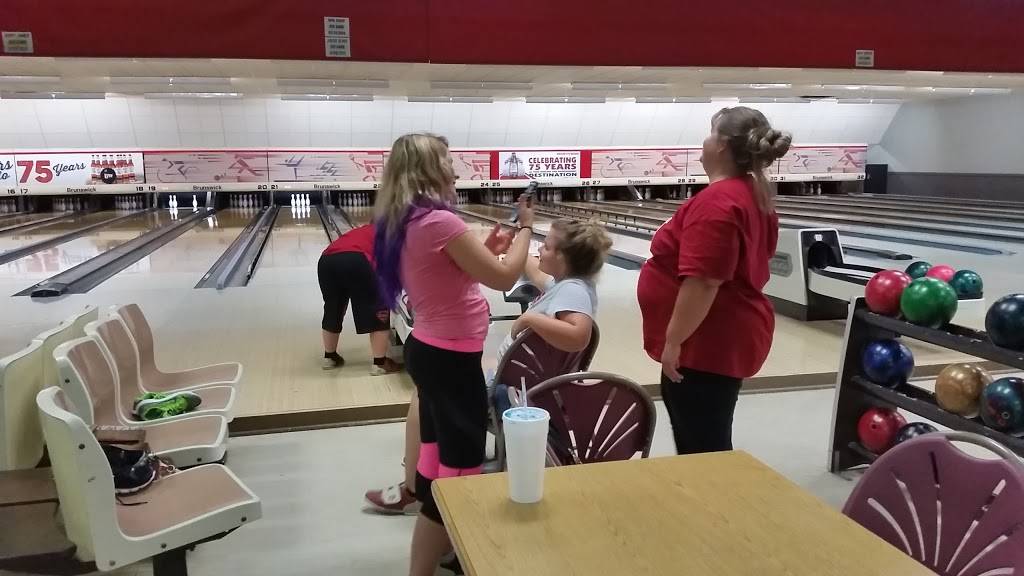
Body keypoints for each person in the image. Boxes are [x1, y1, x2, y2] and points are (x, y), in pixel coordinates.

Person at [364, 218, 612, 516]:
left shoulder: (573, 291)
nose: (539, 251)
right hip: (525, 384)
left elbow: (579, 334)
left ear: (563, 258)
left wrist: (529, 318)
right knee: (435, 384)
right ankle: (423, 478)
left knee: (426, 391)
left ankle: (415, 488)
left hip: (510, 394)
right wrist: (523, 230)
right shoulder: (565, 284)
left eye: (546, 247)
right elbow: (531, 268)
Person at [373, 133, 534, 576]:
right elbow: (504, 278)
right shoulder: (440, 222)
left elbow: (449, 272)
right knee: (459, 476)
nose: (455, 170)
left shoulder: (405, 220)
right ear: (429, 169)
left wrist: (486, 251)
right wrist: (525, 228)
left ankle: (444, 552)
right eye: (448, 162)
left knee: (435, 465)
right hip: (450, 361)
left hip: (431, 351)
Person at [637, 107, 792, 455]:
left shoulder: (718, 202)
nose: (704, 142)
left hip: (704, 345)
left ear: (721, 144)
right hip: (716, 339)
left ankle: (712, 491)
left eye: (710, 133)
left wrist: (674, 340)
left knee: (703, 447)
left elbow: (704, 281)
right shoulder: (750, 192)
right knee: (704, 438)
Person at [317, 223, 401, 375]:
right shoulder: (394, 234)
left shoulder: (364, 230)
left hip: (327, 260)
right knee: (379, 306)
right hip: (357, 259)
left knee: (333, 308)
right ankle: (380, 363)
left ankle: (329, 357)